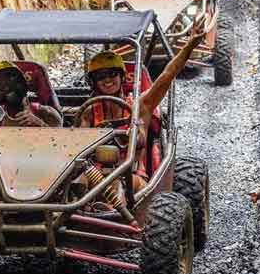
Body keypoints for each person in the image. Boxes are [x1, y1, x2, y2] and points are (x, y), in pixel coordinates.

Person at [78, 23, 207, 191]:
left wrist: (190, 45)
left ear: (122, 77)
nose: (107, 79)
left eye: (112, 74)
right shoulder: (89, 112)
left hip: (133, 178)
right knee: (77, 183)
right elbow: (78, 151)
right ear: (93, 82)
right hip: (95, 176)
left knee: (117, 185)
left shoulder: (140, 106)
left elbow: (167, 75)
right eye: (100, 76)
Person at [0, 61, 62, 127]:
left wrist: (40, 124)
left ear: (24, 83)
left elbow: (60, 138)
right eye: (0, 85)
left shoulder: (45, 112)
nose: (7, 88)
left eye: (12, 81)